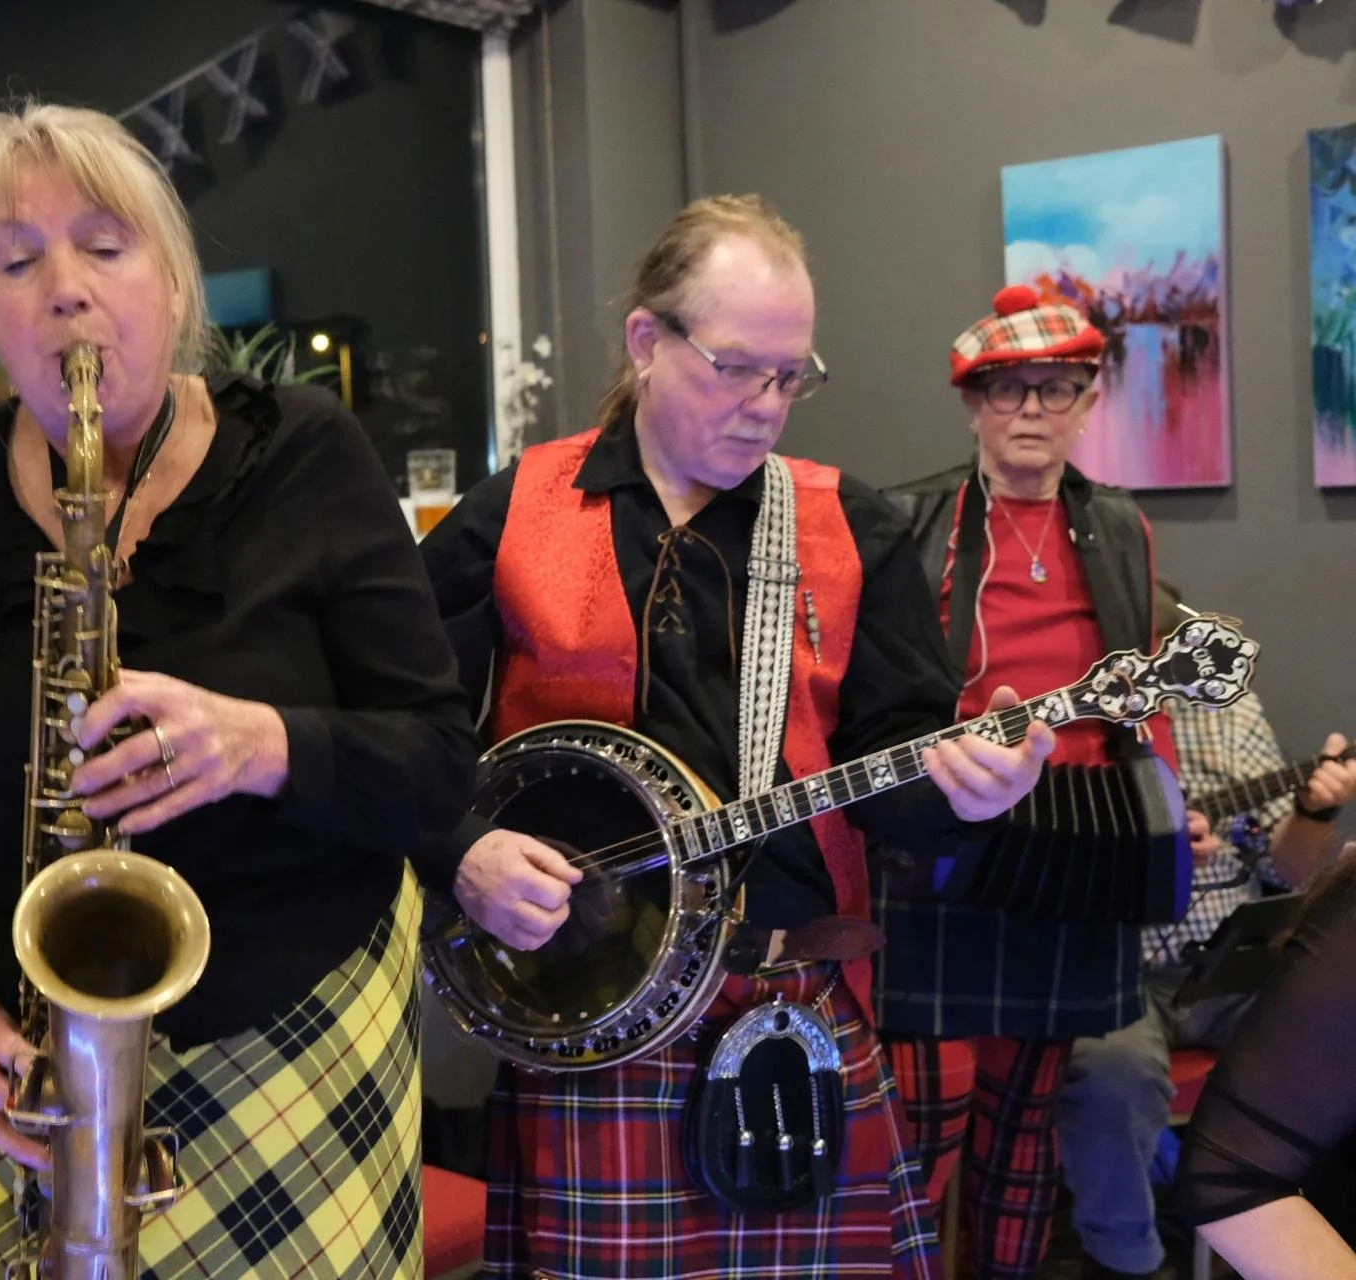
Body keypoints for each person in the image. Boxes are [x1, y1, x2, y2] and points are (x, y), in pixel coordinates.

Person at [0, 103, 479, 1279]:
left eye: (105, 247)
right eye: (18, 260)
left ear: (172, 283)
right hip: (3, 1080)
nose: (65, 289)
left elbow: (434, 768)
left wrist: (260, 743)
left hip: (290, 1058)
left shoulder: (306, 457)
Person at [416, 194, 1054, 1279]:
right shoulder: (513, 507)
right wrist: (461, 849)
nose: (767, 404)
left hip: (792, 1005)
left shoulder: (850, 522)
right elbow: (407, 727)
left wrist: (971, 791)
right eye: (736, 367)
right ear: (646, 342)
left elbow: (894, 763)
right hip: (588, 1013)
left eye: (791, 374)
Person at [870, 284, 1216, 1280]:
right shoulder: (908, 521)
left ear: (1084, 399)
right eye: (1009, 388)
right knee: (920, 1133)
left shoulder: (1118, 525)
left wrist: (1164, 803)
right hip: (948, 846)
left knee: (1023, 1141)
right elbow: (883, 694)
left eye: (1056, 388)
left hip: (1078, 863)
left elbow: (1136, 684)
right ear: (973, 400)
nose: (1032, 409)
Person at [1056, 583, 1356, 1279]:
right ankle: (1128, 1260)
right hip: (1116, 969)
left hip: (1230, 967)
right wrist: (1142, 858)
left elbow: (1291, 870)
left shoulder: (1231, 710)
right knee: (1111, 1074)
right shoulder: (1069, 720)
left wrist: (1312, 815)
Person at [1175, 843, 1356, 1279]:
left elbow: (1290, 864)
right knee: (1121, 1078)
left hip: (1230, 995)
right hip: (1142, 982)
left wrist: (1315, 808)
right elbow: (1228, 1171)